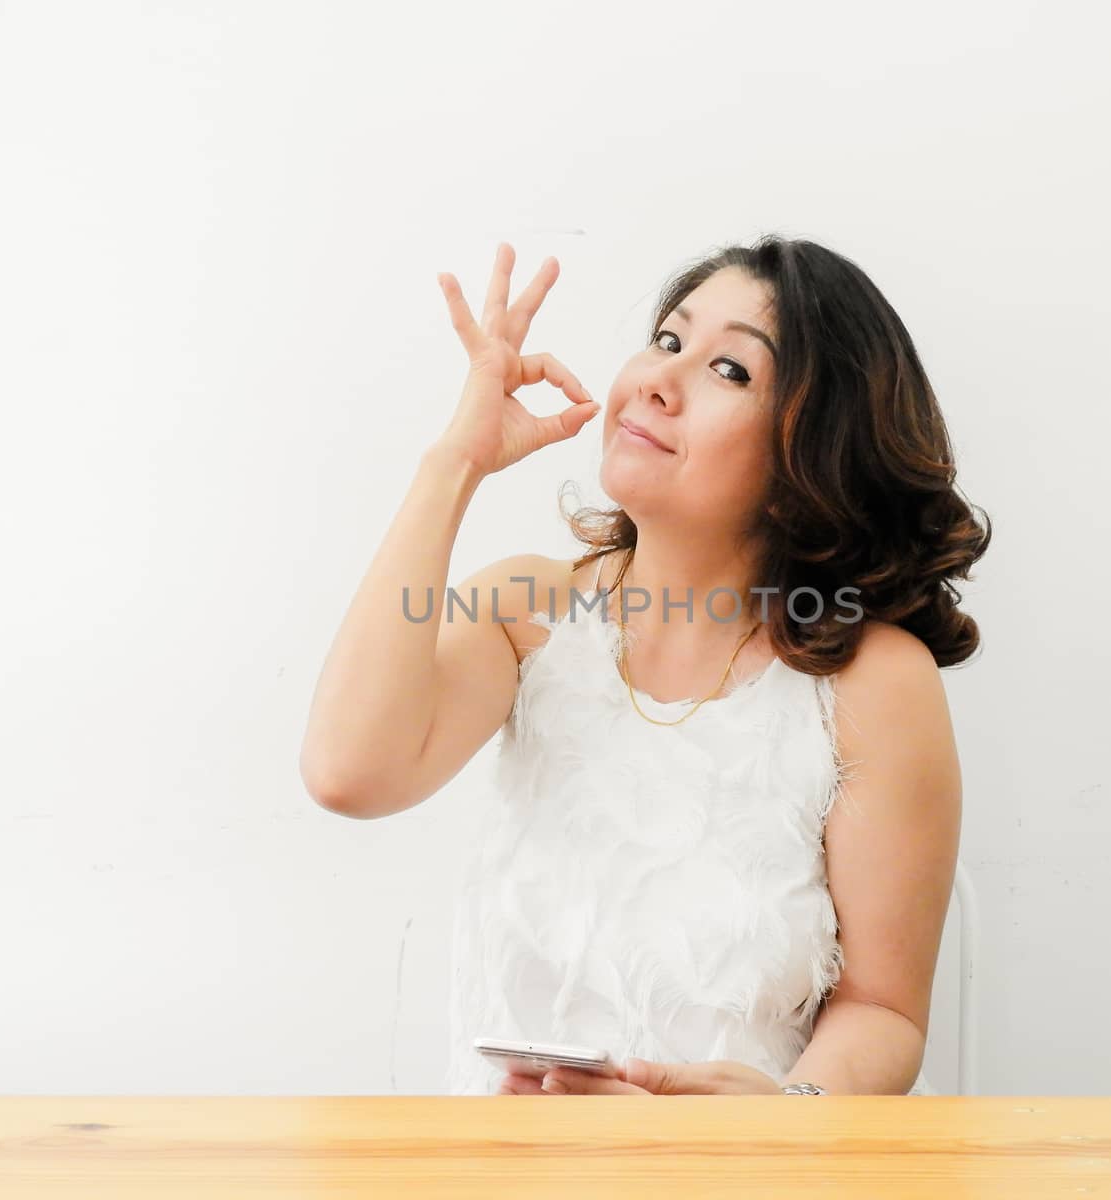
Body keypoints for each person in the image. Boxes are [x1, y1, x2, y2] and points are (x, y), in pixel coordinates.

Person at [300, 236, 990, 1096]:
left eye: (730, 371)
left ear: (806, 459)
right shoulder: (525, 613)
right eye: (669, 340)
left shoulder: (874, 681)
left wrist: (776, 1120)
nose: (661, 379)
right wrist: (455, 463)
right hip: (512, 1172)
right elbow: (347, 774)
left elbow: (884, 1011)